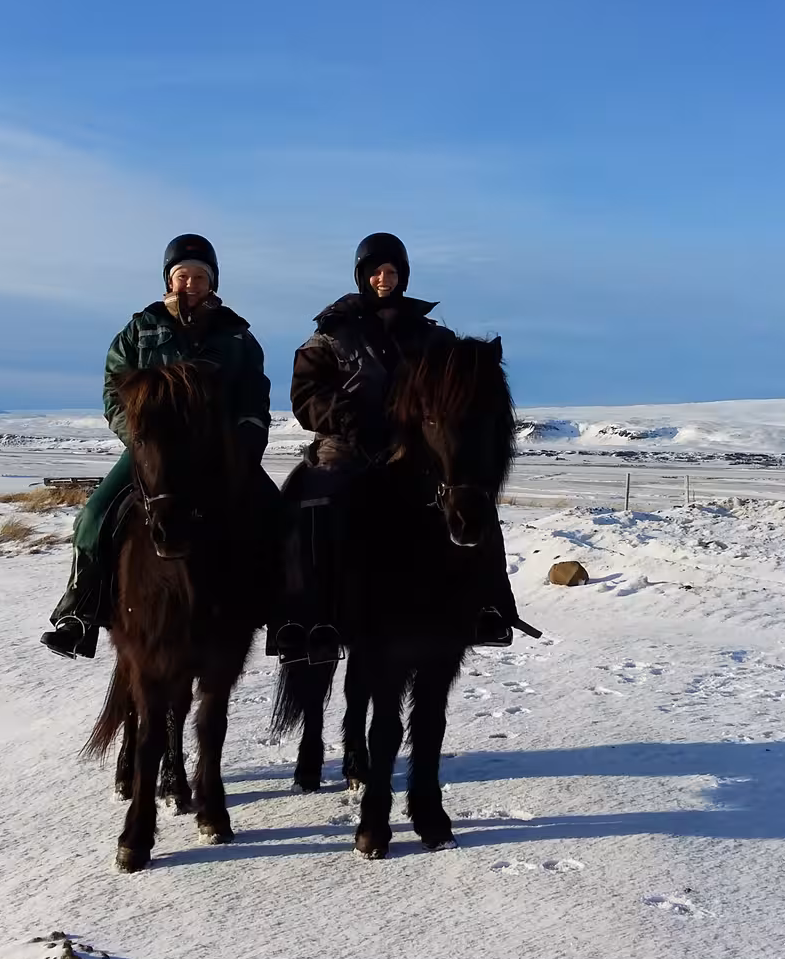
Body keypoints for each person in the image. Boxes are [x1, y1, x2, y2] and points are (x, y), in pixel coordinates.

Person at [271, 232, 520, 663]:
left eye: (392, 271)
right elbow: (306, 393)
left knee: (470, 495)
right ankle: (301, 615)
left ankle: (490, 604)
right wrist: (349, 420)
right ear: (363, 276)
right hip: (347, 444)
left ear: (402, 276)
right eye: (376, 271)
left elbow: (459, 384)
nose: (384, 278)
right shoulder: (332, 332)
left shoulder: (430, 337)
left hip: (413, 450)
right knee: (311, 498)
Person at [41, 233, 274, 657]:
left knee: (277, 513)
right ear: (169, 280)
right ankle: (79, 612)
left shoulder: (236, 336)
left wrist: (244, 443)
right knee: (94, 516)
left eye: (199, 277)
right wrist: (142, 440)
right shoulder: (140, 330)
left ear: (212, 282)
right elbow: (115, 392)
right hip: (153, 452)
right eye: (182, 275)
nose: (191, 284)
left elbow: (255, 396)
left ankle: (285, 613)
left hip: (218, 450)